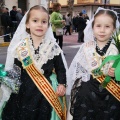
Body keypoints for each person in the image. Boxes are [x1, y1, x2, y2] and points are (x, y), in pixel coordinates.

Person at [1, 5, 68, 120]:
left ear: (48, 25)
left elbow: (60, 68)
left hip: (46, 92)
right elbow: (16, 71)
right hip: (24, 92)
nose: (39, 25)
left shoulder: (53, 47)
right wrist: (5, 76)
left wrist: (62, 84)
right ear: (27, 24)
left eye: (44, 22)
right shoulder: (21, 47)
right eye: (35, 21)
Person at [67, 7, 120, 120]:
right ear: (92, 27)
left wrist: (116, 73)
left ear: (114, 29)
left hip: (111, 96)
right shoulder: (86, 47)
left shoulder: (117, 49)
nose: (102, 30)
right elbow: (78, 71)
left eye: (107, 26)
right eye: (98, 26)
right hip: (88, 96)